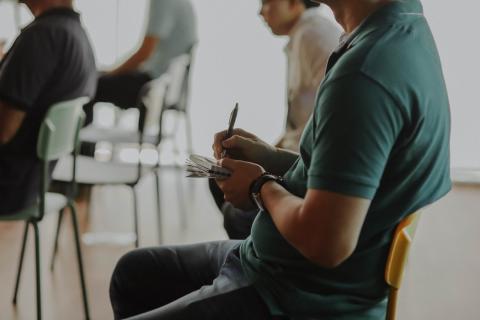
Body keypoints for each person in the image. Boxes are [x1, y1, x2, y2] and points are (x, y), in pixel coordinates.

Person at [109, 0, 451, 319]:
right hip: (277, 264)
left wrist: (260, 186)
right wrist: (270, 157)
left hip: (293, 292)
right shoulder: (403, 27)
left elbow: (326, 242)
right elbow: (347, 178)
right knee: (134, 273)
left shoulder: (364, 74)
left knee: (139, 280)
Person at [209, 0, 342, 239]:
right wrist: (266, 149)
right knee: (220, 174)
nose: (261, 12)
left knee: (233, 207)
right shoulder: (306, 34)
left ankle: (257, 258)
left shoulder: (311, 36)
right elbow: (301, 123)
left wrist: (268, 166)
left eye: (267, 3)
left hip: (308, 169)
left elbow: (315, 133)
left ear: (293, 3)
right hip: (303, 159)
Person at [0, 0, 96, 215]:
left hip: (8, 185)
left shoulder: (41, 35)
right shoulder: (74, 33)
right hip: (34, 184)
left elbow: (3, 131)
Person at [82, 0, 198, 126]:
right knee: (94, 79)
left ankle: (82, 143)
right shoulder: (184, 3)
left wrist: (111, 72)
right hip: (161, 85)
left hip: (151, 87)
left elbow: (144, 53)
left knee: (87, 84)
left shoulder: (163, 2)